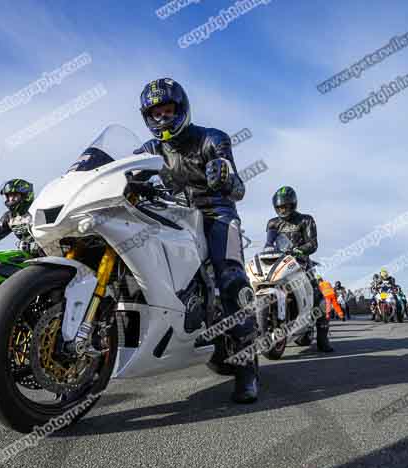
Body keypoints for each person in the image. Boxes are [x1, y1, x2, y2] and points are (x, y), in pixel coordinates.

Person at [133, 78, 258, 403]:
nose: (162, 118)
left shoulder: (213, 139)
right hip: (173, 217)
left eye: (168, 110)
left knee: (232, 281)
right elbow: (127, 176)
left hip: (217, 214)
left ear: (181, 108)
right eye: (155, 113)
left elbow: (240, 189)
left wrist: (226, 178)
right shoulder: (149, 150)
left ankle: (248, 369)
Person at [265, 186, 333, 352]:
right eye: (280, 207)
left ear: (293, 204)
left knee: (320, 297)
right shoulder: (272, 223)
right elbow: (269, 243)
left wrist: (299, 250)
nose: (283, 210)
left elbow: (313, 243)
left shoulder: (305, 220)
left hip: (301, 263)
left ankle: (323, 340)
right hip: (280, 263)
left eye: (285, 206)